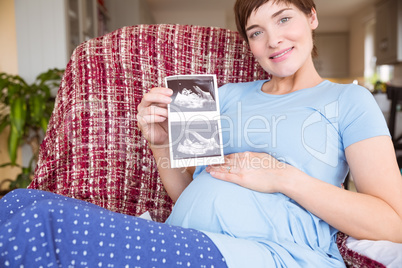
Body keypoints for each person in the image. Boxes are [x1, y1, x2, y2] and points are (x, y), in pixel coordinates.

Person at [0, 0, 401, 267]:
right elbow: (191, 195)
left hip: (274, 255)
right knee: (19, 202)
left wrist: (282, 177)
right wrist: (160, 145)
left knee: (36, 224)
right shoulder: (222, 95)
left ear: (310, 15)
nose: (273, 39)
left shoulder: (349, 100)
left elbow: (394, 221)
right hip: (189, 235)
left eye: (284, 18)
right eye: (256, 31)